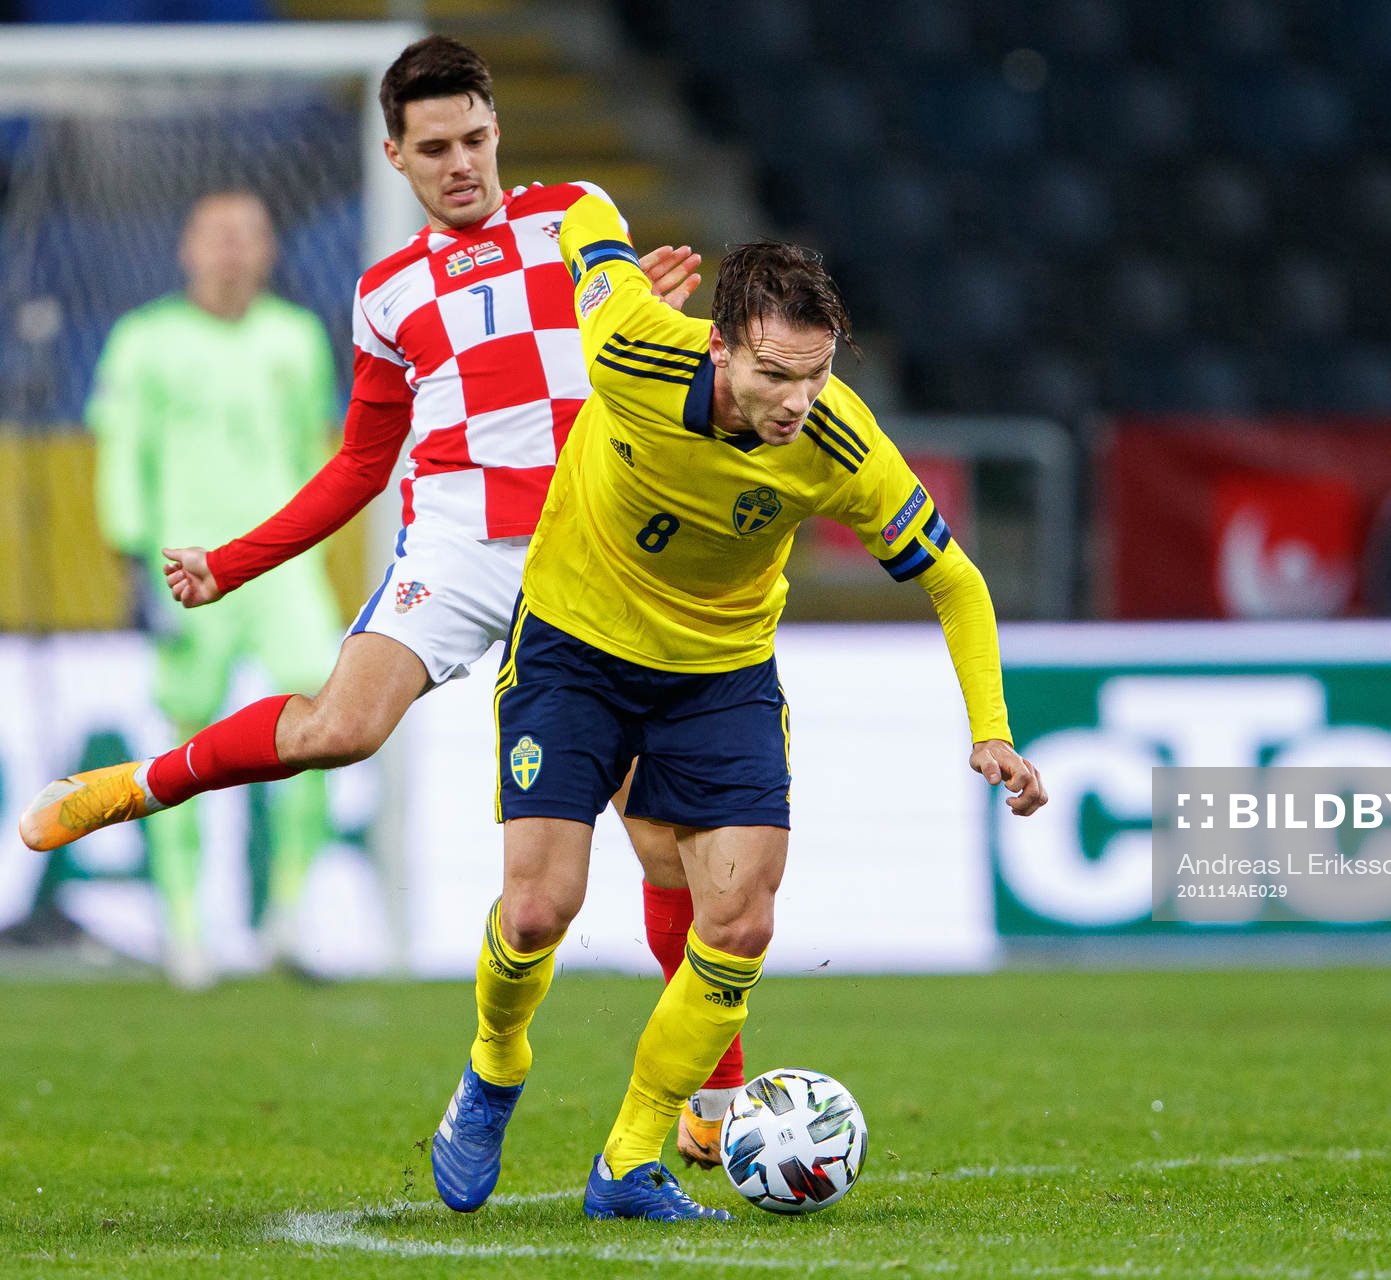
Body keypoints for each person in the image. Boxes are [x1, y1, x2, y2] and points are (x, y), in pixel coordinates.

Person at [16, 36, 740, 1164]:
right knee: (339, 728)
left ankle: (714, 1097)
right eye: (435, 148)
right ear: (395, 155)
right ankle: (128, 789)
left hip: (588, 548)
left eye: (476, 140)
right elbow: (361, 463)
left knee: (659, 840)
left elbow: (640, 358)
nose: (462, 165)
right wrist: (234, 561)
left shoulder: (575, 214)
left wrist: (650, 327)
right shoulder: (385, 291)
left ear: (497, 132)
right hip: (456, 546)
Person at [428, 195, 1049, 1223]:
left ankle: (629, 1161)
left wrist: (992, 728)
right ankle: (495, 1068)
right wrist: (565, 228)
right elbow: (581, 211)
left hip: (718, 674)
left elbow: (955, 579)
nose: (798, 399)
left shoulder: (840, 443)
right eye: (773, 374)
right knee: (538, 909)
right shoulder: (628, 344)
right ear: (718, 347)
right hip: (574, 647)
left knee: (742, 920)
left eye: (816, 373)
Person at [88, 190, 340, 988]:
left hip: (282, 564)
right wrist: (133, 557)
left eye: (247, 235)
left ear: (269, 250)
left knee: (325, 721)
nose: (232, 250)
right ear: (187, 248)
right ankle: (185, 928)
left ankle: (289, 913)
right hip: (185, 565)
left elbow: (314, 455)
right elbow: (123, 456)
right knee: (181, 740)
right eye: (217, 235)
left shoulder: (296, 338)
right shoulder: (144, 341)